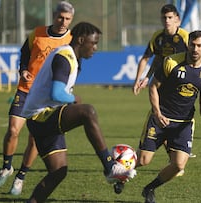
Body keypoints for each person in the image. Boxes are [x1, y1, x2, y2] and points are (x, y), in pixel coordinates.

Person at [22, 22, 136, 203]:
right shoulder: (64, 57)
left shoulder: (72, 58)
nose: (96, 48)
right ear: (81, 40)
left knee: (58, 172)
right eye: (94, 42)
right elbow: (56, 93)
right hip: (41, 116)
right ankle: (109, 167)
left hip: (41, 119)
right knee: (88, 112)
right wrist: (73, 99)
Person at [0, 1, 75, 196]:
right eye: (60, 17)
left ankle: (21, 176)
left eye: (68, 19)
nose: (63, 22)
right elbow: (24, 53)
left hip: (47, 96)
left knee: (34, 139)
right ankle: (7, 167)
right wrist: (22, 71)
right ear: (54, 16)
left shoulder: (71, 39)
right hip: (26, 89)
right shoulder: (37, 33)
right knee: (13, 130)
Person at [138, 30, 201, 203]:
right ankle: (119, 171)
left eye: (199, 46)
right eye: (192, 45)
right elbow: (153, 87)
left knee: (179, 165)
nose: (195, 49)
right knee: (143, 160)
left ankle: (149, 189)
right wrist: (157, 113)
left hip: (183, 124)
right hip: (160, 119)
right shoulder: (171, 62)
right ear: (188, 45)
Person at [132, 4, 188, 96]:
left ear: (176, 19)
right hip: (162, 78)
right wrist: (142, 79)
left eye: (170, 17)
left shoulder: (185, 36)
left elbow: (198, 56)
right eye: (164, 18)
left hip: (181, 79)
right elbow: (150, 58)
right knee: (158, 106)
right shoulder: (157, 37)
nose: (167, 21)